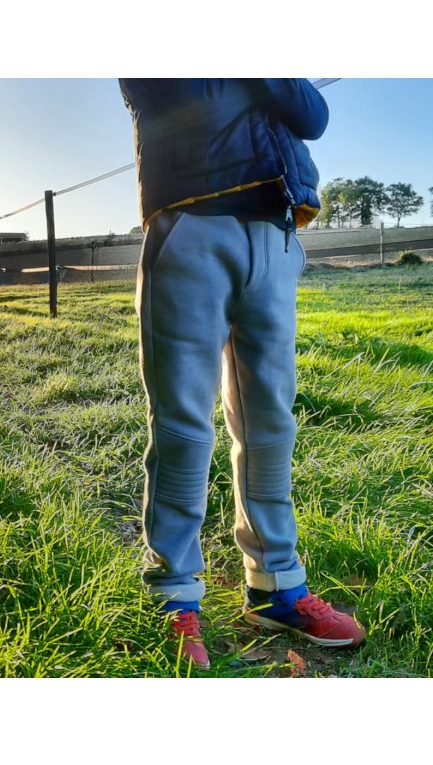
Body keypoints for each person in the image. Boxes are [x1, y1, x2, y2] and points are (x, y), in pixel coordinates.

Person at [119, 78, 366, 670]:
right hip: (191, 225)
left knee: (270, 423)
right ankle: (173, 593)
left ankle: (275, 586)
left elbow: (313, 114)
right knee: (183, 424)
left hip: (275, 235)